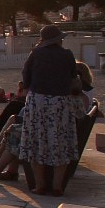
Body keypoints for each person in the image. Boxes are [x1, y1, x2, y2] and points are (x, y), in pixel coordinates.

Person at [19, 25, 78, 196]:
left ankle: (40, 185)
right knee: (60, 142)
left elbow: (26, 77)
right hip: (61, 102)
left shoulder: (35, 54)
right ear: (59, 39)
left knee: (37, 142)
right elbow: (73, 76)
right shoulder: (67, 55)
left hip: (38, 101)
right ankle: (57, 185)